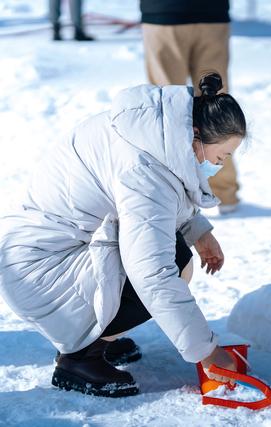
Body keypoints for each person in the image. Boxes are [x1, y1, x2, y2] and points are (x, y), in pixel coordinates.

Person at [0, 73, 243, 397]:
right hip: (42, 273)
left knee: (168, 250)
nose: (220, 164)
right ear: (196, 135)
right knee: (172, 261)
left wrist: (196, 230)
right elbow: (151, 271)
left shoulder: (150, 131)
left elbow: (164, 195)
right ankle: (80, 357)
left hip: (40, 255)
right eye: (221, 155)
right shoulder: (143, 167)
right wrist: (208, 353)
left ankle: (97, 336)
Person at [140, 0, 241, 214]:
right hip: (212, 14)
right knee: (216, 105)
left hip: (163, 14)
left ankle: (168, 194)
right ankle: (224, 191)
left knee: (167, 109)